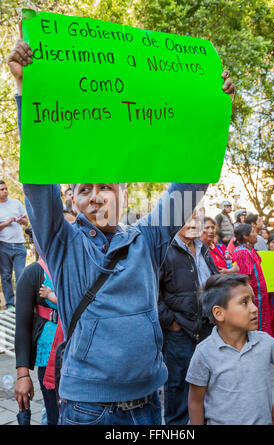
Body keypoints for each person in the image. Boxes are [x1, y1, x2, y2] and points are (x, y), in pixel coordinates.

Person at [8, 36, 235, 425]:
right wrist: (27, 92)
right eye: (84, 189)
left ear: (124, 193)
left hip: (150, 404)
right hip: (88, 409)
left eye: (106, 187)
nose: (95, 197)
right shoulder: (62, 243)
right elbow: (37, 177)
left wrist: (214, 114)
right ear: (71, 200)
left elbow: (189, 187)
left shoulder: (147, 238)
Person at [186, 274, 274, 425]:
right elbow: (195, 402)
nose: (254, 308)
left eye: (253, 300)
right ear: (219, 313)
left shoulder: (265, 343)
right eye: (244, 302)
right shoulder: (204, 353)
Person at [158, 211, 219, 425]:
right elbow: (152, 292)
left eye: (197, 219)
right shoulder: (165, 250)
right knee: (178, 385)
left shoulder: (203, 249)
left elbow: (214, 281)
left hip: (207, 327)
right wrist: (171, 322)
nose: (193, 224)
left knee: (206, 382)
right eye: (187, 219)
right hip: (180, 331)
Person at [14, 256, 59, 424]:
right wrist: (23, 376)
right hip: (50, 361)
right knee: (55, 416)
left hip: (82, 358)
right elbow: (22, 327)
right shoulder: (33, 273)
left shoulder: (78, 265)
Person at [232, 223, 272, 335]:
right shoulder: (242, 252)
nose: (256, 234)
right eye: (253, 232)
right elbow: (244, 278)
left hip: (260, 296)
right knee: (255, 324)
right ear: (245, 236)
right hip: (254, 298)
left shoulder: (250, 250)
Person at [0, 180, 28, 309]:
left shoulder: (16, 203)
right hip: (3, 245)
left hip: (19, 245)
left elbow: (26, 222)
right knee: (6, 276)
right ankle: (10, 304)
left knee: (21, 275)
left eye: (6, 189)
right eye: (2, 190)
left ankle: (22, 304)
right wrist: (7, 222)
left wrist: (21, 220)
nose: (5, 191)